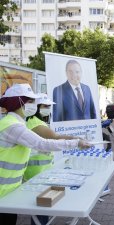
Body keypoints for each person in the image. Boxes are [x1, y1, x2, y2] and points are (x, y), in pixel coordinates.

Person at [0, 83, 91, 225]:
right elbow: (43, 143)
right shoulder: (13, 126)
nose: (34, 105)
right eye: (30, 101)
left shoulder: (16, 123)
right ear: (18, 102)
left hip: (9, 191)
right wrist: (75, 143)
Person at [24, 93, 80, 225]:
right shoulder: (34, 122)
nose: (48, 108)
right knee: (41, 206)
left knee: (43, 205)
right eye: (45, 106)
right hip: (36, 171)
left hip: (42, 169)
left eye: (49, 106)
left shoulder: (39, 121)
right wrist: (76, 140)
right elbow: (55, 137)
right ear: (37, 107)